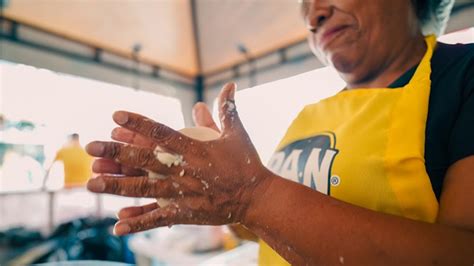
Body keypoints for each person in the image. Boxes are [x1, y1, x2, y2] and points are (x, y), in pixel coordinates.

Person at [85, 0, 474, 264]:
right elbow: (274, 221)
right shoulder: (313, 115)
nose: (314, 14)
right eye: (305, 3)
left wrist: (249, 194)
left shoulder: (462, 77)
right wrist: (207, 193)